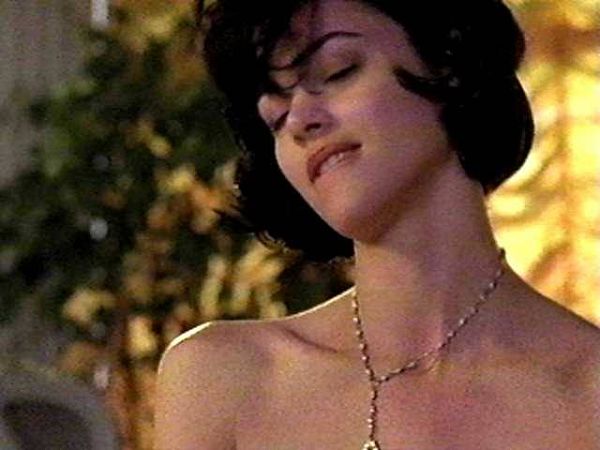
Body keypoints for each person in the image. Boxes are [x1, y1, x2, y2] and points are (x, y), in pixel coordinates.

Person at [154, 0, 600, 448]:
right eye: (277, 117)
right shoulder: (223, 377)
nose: (301, 121)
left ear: (449, 62)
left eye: (338, 71)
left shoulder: (588, 393)